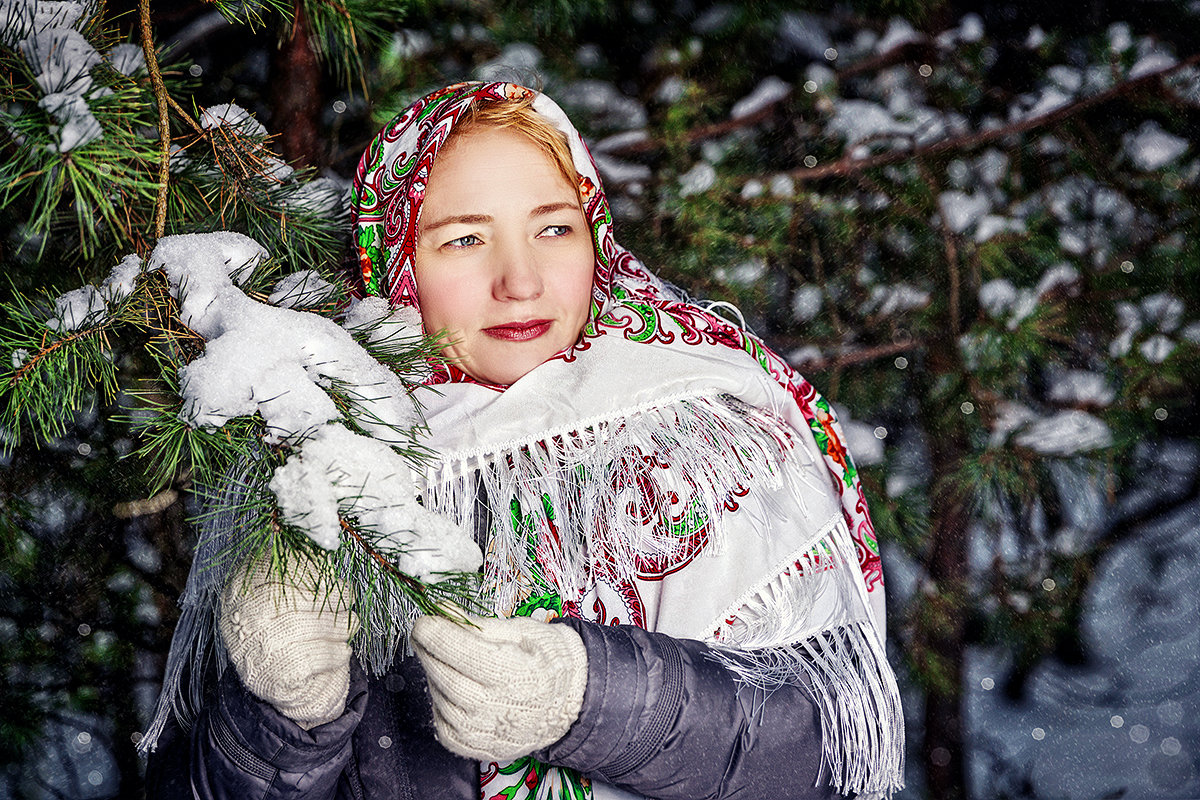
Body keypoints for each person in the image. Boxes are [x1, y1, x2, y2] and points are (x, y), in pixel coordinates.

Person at [145, 81, 904, 800]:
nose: (521, 280)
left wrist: (589, 696)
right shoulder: (319, 460)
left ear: (595, 235)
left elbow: (828, 752)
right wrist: (280, 721)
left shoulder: (717, 431)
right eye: (465, 239)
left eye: (553, 228)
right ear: (398, 262)